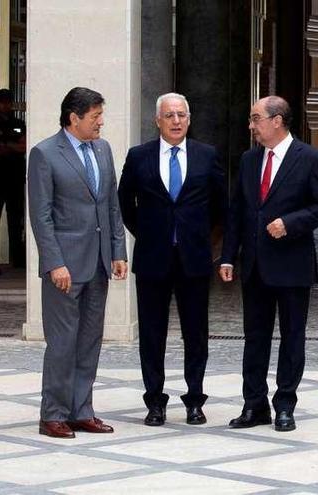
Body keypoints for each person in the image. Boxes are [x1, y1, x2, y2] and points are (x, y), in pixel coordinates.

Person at [219, 96, 318, 432]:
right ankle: (254, 405)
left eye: (256, 118)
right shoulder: (249, 160)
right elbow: (237, 212)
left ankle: (285, 405)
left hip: (292, 265)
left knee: (292, 337)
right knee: (255, 338)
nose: (252, 126)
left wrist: (290, 223)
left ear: (277, 120)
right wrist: (228, 256)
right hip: (255, 266)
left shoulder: (310, 158)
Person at [118, 93, 227, 427]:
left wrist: (201, 239)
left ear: (189, 120)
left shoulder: (207, 156)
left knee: (196, 333)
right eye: (170, 115)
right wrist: (151, 233)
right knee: (152, 333)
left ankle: (195, 399)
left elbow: (221, 206)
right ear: (158, 121)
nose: (176, 121)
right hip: (153, 259)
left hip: (194, 259)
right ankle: (155, 402)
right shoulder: (139, 157)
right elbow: (125, 204)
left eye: (182, 115)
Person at [28, 87, 128, 438]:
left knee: (89, 340)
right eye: (95, 116)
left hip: (99, 262)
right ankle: (52, 414)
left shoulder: (103, 149)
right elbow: (41, 217)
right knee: (63, 342)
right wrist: (55, 263)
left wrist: (118, 251)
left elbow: (111, 205)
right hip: (65, 269)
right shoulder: (44, 154)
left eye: (101, 115)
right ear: (74, 118)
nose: (101, 122)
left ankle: (81, 410)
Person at [0, 88, 26, 270]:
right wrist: (13, 145)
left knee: (16, 219)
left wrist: (7, 145)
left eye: (8, 101)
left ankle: (18, 260)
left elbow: (24, 145)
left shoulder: (17, 123)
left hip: (14, 177)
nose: (6, 105)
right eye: (3, 102)